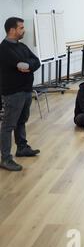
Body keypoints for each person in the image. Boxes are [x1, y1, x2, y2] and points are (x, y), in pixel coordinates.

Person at [0, 17, 41, 172]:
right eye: (21, 28)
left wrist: (28, 65)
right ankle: (5, 158)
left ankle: (22, 147)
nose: (24, 30)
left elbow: (35, 61)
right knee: (8, 125)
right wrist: (27, 64)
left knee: (21, 121)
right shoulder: (4, 49)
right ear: (12, 30)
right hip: (13, 93)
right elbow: (18, 64)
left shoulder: (22, 46)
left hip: (25, 90)